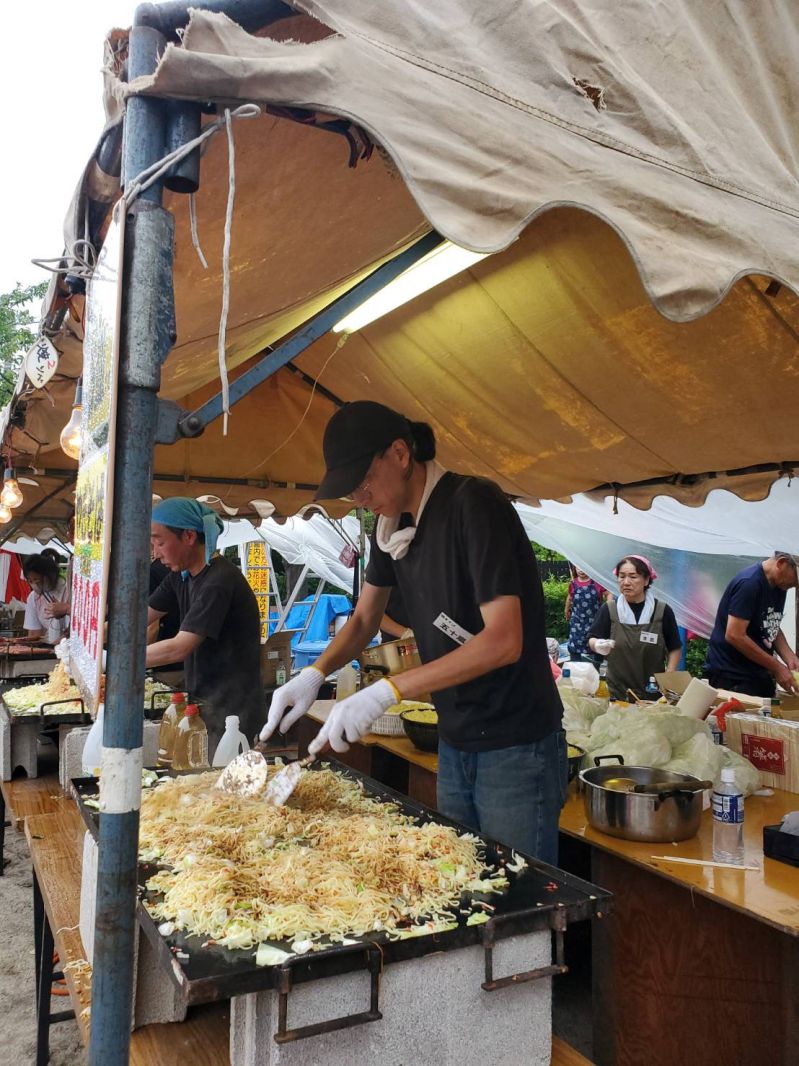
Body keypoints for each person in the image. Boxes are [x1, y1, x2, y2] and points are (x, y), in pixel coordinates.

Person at [261, 401, 566, 865]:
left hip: (515, 743)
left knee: (517, 892)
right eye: (350, 493)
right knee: (462, 876)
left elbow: (504, 641)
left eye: (362, 482)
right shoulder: (392, 529)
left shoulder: (473, 505)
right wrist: (312, 674)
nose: (359, 498)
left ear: (400, 454)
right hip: (456, 735)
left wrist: (388, 690)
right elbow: (364, 620)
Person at [147, 498, 263, 750]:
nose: (155, 553)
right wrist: (93, 642)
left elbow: (179, 648)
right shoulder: (180, 576)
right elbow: (140, 617)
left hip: (232, 711)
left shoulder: (218, 581)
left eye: (160, 542)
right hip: (203, 701)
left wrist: (117, 662)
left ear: (188, 536)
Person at [704, 552, 799, 698]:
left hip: (757, 673)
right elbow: (735, 635)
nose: (795, 585)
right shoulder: (749, 583)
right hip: (732, 675)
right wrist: (777, 667)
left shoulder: (779, 585)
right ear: (781, 563)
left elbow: (770, 623)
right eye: (795, 578)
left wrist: (790, 658)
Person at [587, 555, 682, 700]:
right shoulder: (609, 610)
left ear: (646, 580)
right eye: (621, 576)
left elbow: (674, 646)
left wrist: (670, 671)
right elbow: (591, 639)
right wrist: (597, 644)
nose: (626, 582)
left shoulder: (662, 611)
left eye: (633, 576)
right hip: (617, 692)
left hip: (652, 693)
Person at [15, 554, 70, 645]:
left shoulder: (68, 591)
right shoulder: (33, 597)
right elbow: (34, 633)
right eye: (30, 581)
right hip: (52, 646)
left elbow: (73, 630)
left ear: (50, 576)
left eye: (37, 580)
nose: (34, 584)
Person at [564, 566, 609, 660]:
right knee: (574, 645)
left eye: (583, 568)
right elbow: (569, 597)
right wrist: (566, 610)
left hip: (594, 622)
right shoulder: (573, 583)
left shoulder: (597, 582)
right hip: (577, 622)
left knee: (596, 644)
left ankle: (596, 666)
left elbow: (608, 594)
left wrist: (609, 607)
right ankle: (575, 665)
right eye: (578, 568)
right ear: (575, 569)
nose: (581, 570)